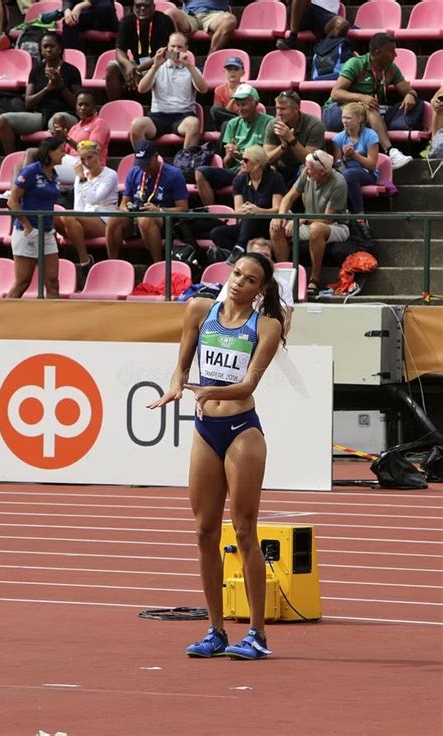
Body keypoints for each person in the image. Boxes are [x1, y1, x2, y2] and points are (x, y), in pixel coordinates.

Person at [147, 251, 285, 659]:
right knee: (204, 531)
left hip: (242, 432)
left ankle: (257, 634)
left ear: (260, 290)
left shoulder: (268, 326)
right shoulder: (199, 309)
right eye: (237, 273)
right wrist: (177, 386)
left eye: (250, 279)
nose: (240, 281)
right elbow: (181, 366)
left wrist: (208, 392)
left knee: (244, 532)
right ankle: (215, 630)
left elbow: (247, 386)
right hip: (206, 431)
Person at [323, 33, 417, 170]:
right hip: (335, 112)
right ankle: (391, 151)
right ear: (377, 52)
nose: (395, 55)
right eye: (391, 51)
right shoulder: (356, 63)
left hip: (361, 114)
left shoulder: (391, 68)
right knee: (369, 107)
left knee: (371, 108)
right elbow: (336, 93)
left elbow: (408, 90)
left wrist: (410, 95)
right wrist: (361, 97)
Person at [270, 149, 349, 298]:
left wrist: (302, 219)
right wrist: (280, 216)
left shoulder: (339, 183)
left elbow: (328, 218)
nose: (306, 171)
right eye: (306, 167)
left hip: (336, 225)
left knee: (316, 229)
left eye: (310, 169)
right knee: (275, 227)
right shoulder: (306, 175)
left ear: (323, 172)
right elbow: (289, 197)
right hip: (308, 221)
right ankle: (286, 276)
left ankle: (315, 279)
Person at [0, 32, 81, 154]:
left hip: (65, 115)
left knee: (58, 118)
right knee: (4, 119)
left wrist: (61, 86)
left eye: (52, 46)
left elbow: (78, 105)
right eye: (45, 46)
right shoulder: (36, 71)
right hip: (41, 116)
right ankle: (10, 158)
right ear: (41, 50)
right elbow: (28, 102)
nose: (48, 49)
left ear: (59, 49)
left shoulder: (71, 71)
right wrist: (47, 89)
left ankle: (57, 158)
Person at [106, 139, 189, 262]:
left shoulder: (174, 174)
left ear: (156, 157)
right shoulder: (134, 172)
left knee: (145, 218)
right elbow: (124, 202)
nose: (144, 168)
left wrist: (159, 210)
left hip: (163, 218)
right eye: (141, 164)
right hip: (134, 217)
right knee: (115, 217)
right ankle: (112, 262)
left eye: (147, 163)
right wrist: (126, 208)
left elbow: (183, 208)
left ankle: (157, 263)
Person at [195, 84, 274, 206]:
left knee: (247, 173)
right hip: (236, 169)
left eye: (244, 104)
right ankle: (212, 213)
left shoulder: (269, 122)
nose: (240, 108)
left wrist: (244, 159)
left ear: (256, 103)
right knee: (200, 173)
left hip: (257, 169)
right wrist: (232, 155)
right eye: (238, 105)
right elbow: (227, 163)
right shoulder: (232, 124)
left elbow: (266, 159)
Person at [6, 137, 65, 299]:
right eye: (61, 150)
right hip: (27, 232)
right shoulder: (31, 171)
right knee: (22, 282)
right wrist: (27, 227)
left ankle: (53, 321)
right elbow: (12, 200)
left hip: (46, 232)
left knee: (53, 281)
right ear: (50, 152)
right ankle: (6, 316)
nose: (64, 154)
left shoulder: (53, 174)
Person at [130, 32, 208, 151]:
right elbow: (142, 89)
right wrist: (155, 66)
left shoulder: (192, 69)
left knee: (193, 124)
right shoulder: (158, 67)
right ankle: (144, 163)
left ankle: (185, 163)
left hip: (183, 115)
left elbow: (203, 90)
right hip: (158, 115)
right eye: (173, 46)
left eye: (180, 47)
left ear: (186, 49)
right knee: (136, 125)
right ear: (167, 47)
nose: (175, 50)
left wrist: (190, 67)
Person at [209, 145, 286, 264]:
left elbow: (278, 209)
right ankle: (242, 257)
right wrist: (247, 210)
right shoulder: (239, 180)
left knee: (252, 213)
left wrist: (258, 211)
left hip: (267, 225)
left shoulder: (275, 178)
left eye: (245, 160)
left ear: (257, 163)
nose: (241, 162)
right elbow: (238, 211)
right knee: (216, 233)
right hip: (246, 226)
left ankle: (239, 248)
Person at [58, 141, 118, 273]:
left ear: (98, 155)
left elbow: (93, 198)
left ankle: (83, 259)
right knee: (56, 218)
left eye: (89, 157)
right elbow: (78, 204)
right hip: (86, 217)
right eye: (82, 159)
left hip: (104, 219)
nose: (86, 162)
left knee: (68, 216)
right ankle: (79, 249)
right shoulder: (81, 177)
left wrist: (81, 177)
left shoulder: (110, 174)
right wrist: (75, 222)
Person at [216, 238, 294, 336]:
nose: (263, 260)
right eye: (258, 256)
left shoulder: (282, 285)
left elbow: (285, 323)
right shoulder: (232, 283)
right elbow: (219, 313)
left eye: (267, 256)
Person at [106, 0, 175, 101]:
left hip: (160, 64)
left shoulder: (165, 21)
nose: (142, 9)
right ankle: (116, 106)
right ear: (133, 7)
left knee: (168, 61)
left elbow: (169, 54)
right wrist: (128, 65)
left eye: (146, 6)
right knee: (111, 67)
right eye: (138, 6)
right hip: (136, 65)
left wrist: (138, 68)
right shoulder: (126, 21)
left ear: (153, 7)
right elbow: (120, 50)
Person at [263, 90, 326, 191]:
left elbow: (310, 161)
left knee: (305, 170)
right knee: (263, 170)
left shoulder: (314, 124)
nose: (278, 113)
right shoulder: (273, 125)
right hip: (284, 167)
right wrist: (283, 146)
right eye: (277, 108)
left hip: (309, 168)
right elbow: (267, 159)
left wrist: (291, 140)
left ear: (296, 109)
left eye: (283, 109)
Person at [332, 101, 378, 219]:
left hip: (367, 173)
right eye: (343, 117)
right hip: (345, 172)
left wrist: (354, 155)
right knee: (339, 175)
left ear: (359, 119)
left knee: (349, 175)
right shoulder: (338, 138)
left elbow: (372, 164)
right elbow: (337, 164)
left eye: (348, 118)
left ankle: (359, 216)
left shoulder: (371, 135)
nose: (345, 121)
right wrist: (345, 158)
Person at [165, 0, 237, 55]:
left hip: (215, 14)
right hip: (190, 14)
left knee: (229, 20)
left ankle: (210, 57)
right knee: (169, 13)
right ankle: (174, 56)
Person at [276, 0, 349, 51]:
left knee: (343, 25)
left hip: (327, 15)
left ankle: (319, 52)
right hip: (304, 9)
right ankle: (292, 38)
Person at [210, 55, 245, 130]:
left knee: (226, 124)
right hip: (226, 122)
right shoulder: (219, 90)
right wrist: (233, 98)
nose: (232, 72)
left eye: (236, 69)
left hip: (242, 123)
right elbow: (219, 114)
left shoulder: (247, 89)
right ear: (224, 72)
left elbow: (245, 112)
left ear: (243, 72)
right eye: (229, 69)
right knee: (215, 110)